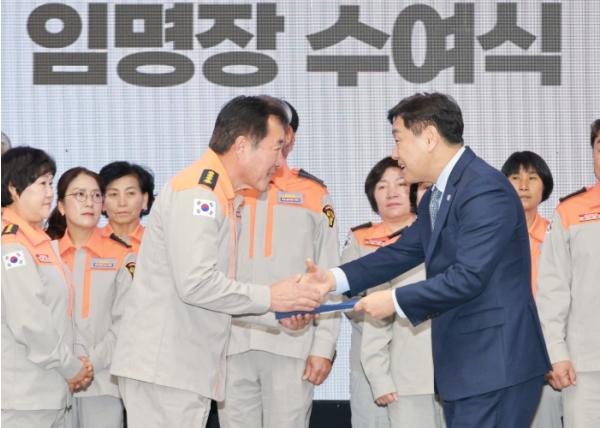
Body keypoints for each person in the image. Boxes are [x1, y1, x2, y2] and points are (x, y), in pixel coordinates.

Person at [305, 93, 550, 427]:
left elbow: (468, 276)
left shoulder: (483, 189)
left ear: (430, 137)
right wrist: (332, 279)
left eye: (399, 139)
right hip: (470, 366)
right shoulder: (442, 191)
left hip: (496, 364)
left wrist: (393, 300)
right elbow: (402, 251)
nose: (395, 154)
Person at [110, 95, 326, 428]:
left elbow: (214, 293)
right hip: (167, 368)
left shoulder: (221, 195)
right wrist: (273, 298)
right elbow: (196, 284)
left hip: (180, 368)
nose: (280, 160)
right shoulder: (200, 193)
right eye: (276, 148)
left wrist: (279, 314)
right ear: (242, 146)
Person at [218, 99, 340, 428]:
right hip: (231, 341)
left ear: (290, 137)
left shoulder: (313, 192)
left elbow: (329, 274)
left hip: (291, 342)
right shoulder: (227, 189)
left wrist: (324, 346)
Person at [348, 158, 443, 428]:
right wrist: (380, 376)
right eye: (382, 186)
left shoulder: (457, 242)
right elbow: (373, 318)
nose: (392, 193)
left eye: (400, 184)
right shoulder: (391, 255)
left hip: (453, 376)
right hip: (407, 375)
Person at [1, 147, 93, 428]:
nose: (50, 193)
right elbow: (30, 323)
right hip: (22, 398)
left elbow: (59, 313)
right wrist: (71, 367)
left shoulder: (38, 241)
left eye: (51, 183)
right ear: (13, 188)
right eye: (42, 184)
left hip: (47, 393)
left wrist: (74, 362)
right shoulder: (12, 245)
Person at [46, 167, 135, 428]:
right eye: (80, 195)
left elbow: (127, 322)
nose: (89, 202)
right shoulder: (46, 255)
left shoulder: (122, 254)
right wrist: (67, 365)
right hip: (53, 379)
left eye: (96, 196)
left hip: (103, 381)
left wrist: (89, 364)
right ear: (61, 206)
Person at [536, 119, 600, 428]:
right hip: (585, 366)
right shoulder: (570, 211)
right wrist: (556, 352)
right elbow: (553, 290)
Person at [501, 151, 562, 428]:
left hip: (548, 354)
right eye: (515, 178)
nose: (523, 185)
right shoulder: (489, 237)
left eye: (532, 178)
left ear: (544, 186)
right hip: (502, 354)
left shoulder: (556, 235)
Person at [99, 161, 155, 254]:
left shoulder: (158, 243)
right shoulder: (87, 242)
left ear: (145, 200)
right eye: (113, 194)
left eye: (130, 193)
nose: (122, 203)